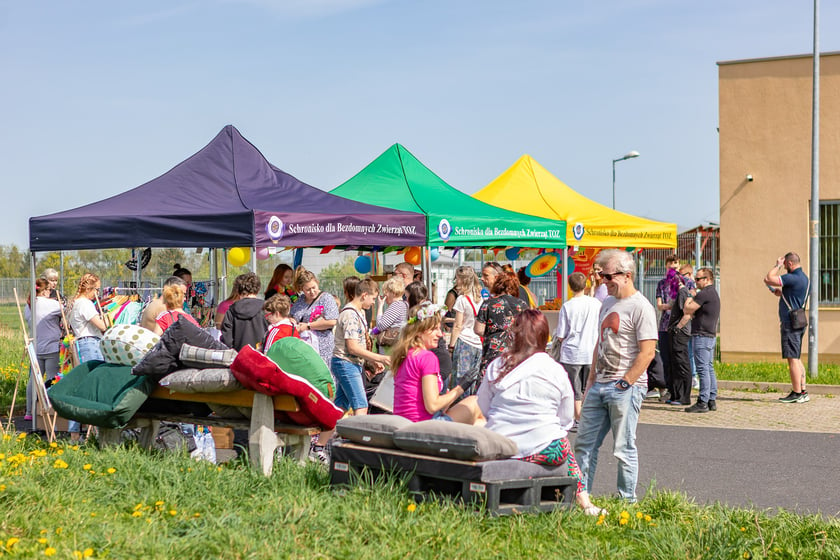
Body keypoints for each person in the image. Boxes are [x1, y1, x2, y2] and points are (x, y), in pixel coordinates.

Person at [477, 310, 605, 516]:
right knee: (563, 444)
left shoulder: (497, 365)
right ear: (544, 336)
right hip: (546, 448)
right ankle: (585, 502)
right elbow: (566, 418)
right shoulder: (554, 370)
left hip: (500, 447)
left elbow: (483, 407)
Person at [573, 249, 656, 503]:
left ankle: (627, 502)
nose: (603, 281)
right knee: (584, 444)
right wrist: (590, 381)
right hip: (599, 384)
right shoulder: (606, 303)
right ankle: (581, 497)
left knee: (623, 447)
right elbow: (601, 341)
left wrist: (626, 382)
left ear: (626, 276)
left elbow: (647, 352)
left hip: (625, 387)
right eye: (600, 276)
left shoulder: (641, 307)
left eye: (608, 276)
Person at [392, 302, 481, 423]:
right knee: (475, 403)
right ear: (419, 331)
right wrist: (461, 387)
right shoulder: (427, 357)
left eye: (440, 328)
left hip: (403, 422)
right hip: (424, 424)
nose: (440, 334)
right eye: (434, 329)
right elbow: (432, 406)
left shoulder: (405, 355)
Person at [332, 278, 390, 416]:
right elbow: (352, 348)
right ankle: (358, 437)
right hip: (346, 363)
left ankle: (324, 438)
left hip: (349, 363)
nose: (373, 302)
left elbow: (359, 345)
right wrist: (381, 358)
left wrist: (372, 361)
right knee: (361, 406)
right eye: (373, 298)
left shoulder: (358, 313)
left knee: (340, 406)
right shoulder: (350, 315)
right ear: (364, 295)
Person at [553, 271, 602, 423]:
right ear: (586, 284)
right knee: (589, 385)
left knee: (574, 389)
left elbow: (561, 334)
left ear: (570, 286)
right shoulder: (596, 304)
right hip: (592, 350)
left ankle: (578, 417)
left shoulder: (567, 306)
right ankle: (588, 416)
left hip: (571, 352)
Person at [67, 273, 109, 442]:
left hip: (83, 344)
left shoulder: (76, 303)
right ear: (89, 288)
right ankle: (83, 433)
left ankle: (76, 433)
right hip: (89, 344)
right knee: (91, 388)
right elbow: (102, 326)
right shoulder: (85, 304)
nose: (97, 294)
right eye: (97, 290)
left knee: (83, 389)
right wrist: (107, 318)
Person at [764, 253, 810, 403]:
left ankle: (797, 393)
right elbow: (793, 295)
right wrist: (779, 293)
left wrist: (776, 265)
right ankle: (803, 391)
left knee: (792, 359)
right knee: (796, 357)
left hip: (790, 323)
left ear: (790, 263)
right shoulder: (804, 278)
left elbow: (769, 278)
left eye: (785, 265)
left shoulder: (792, 277)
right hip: (799, 321)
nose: (783, 268)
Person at [475, 272, 527, 379]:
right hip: (516, 351)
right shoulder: (522, 305)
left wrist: (492, 333)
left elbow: (478, 329)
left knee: (490, 381)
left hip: (493, 350)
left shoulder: (488, 304)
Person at [24, 279, 62, 422]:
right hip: (51, 347)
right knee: (52, 378)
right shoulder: (52, 304)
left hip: (35, 348)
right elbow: (66, 310)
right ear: (46, 290)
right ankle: (51, 409)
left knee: (33, 380)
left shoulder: (28, 305)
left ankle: (29, 411)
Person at [683, 267, 721, 413]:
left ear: (707, 279)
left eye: (698, 279)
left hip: (702, 335)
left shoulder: (704, 293)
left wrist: (689, 296)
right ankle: (711, 399)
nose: (695, 281)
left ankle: (703, 401)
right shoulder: (712, 293)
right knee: (709, 367)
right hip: (709, 335)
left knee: (702, 369)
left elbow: (688, 309)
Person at [290, 266, 339, 366]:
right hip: (304, 347)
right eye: (308, 289)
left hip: (322, 347)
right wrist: (292, 321)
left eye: (313, 288)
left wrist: (308, 326)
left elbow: (332, 321)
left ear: (317, 283)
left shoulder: (326, 298)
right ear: (302, 289)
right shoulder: (300, 300)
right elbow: (293, 316)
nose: (312, 292)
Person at [448, 266, 484, 394]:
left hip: (464, 341)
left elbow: (458, 325)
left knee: (460, 379)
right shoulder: (481, 299)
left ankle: (459, 407)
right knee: (474, 378)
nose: (455, 281)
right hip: (478, 342)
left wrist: (451, 346)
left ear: (462, 280)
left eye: (457, 279)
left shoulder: (462, 300)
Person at [221, 272, 268, 351]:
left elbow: (227, 341)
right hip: (262, 356)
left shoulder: (231, 311)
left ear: (237, 290)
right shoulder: (266, 308)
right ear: (258, 288)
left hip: (239, 357)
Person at [666, 270, 693, 406]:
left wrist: (678, 328)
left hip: (680, 334)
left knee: (682, 364)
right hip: (675, 332)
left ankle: (684, 396)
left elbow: (687, 313)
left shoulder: (683, 293)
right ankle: (676, 395)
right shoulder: (678, 294)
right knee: (675, 364)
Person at [655, 254, 680, 398]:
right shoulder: (661, 284)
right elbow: (659, 305)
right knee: (666, 359)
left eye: (675, 265)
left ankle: (678, 390)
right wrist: (669, 306)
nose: (673, 268)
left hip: (679, 327)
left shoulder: (685, 282)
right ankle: (668, 389)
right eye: (670, 265)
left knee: (678, 360)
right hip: (664, 326)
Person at [372, 277, 407, 353]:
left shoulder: (396, 306)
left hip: (391, 347)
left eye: (386, 292)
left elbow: (380, 326)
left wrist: (380, 306)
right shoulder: (404, 304)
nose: (384, 295)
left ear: (393, 293)